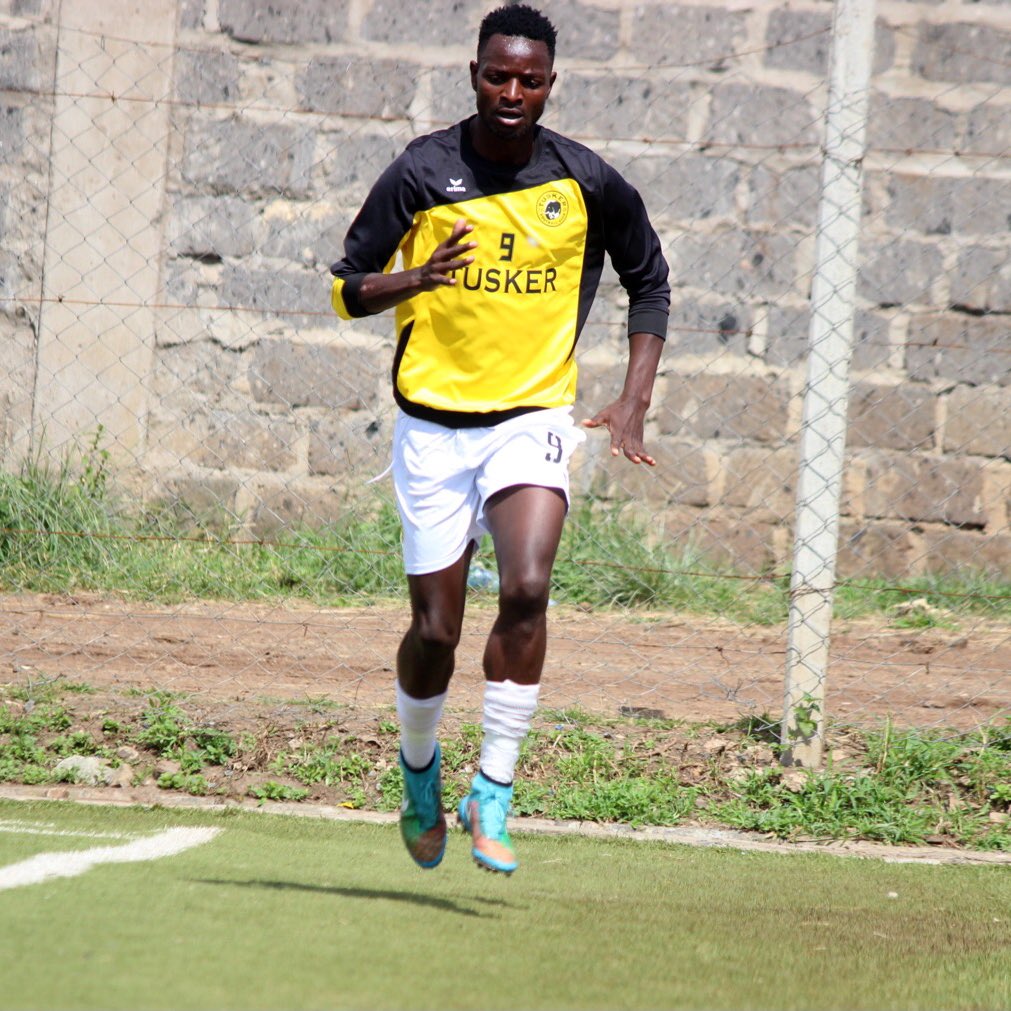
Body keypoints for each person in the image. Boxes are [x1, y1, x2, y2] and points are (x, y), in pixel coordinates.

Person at [329, 4, 669, 875]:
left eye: (529, 79)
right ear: (474, 75)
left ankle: (494, 789)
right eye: (497, 75)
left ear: (550, 85)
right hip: (433, 427)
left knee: (526, 587)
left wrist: (632, 399)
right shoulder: (422, 170)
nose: (512, 91)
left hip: (530, 418)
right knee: (435, 630)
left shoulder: (585, 180)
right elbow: (345, 287)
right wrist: (415, 276)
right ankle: (418, 771)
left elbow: (649, 282)